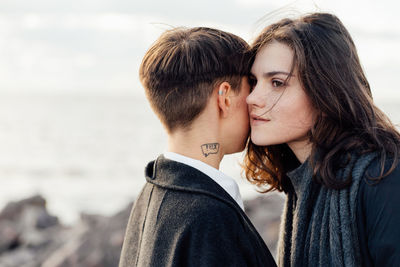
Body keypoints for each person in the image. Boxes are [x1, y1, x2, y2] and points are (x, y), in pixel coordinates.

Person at [244, 12, 400, 266]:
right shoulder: (302, 183)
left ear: (324, 91)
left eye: (276, 83)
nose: (252, 98)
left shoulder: (383, 177)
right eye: (253, 81)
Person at [119, 27, 276, 266]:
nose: (256, 99)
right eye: (251, 85)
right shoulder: (211, 218)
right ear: (224, 97)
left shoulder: (150, 193)